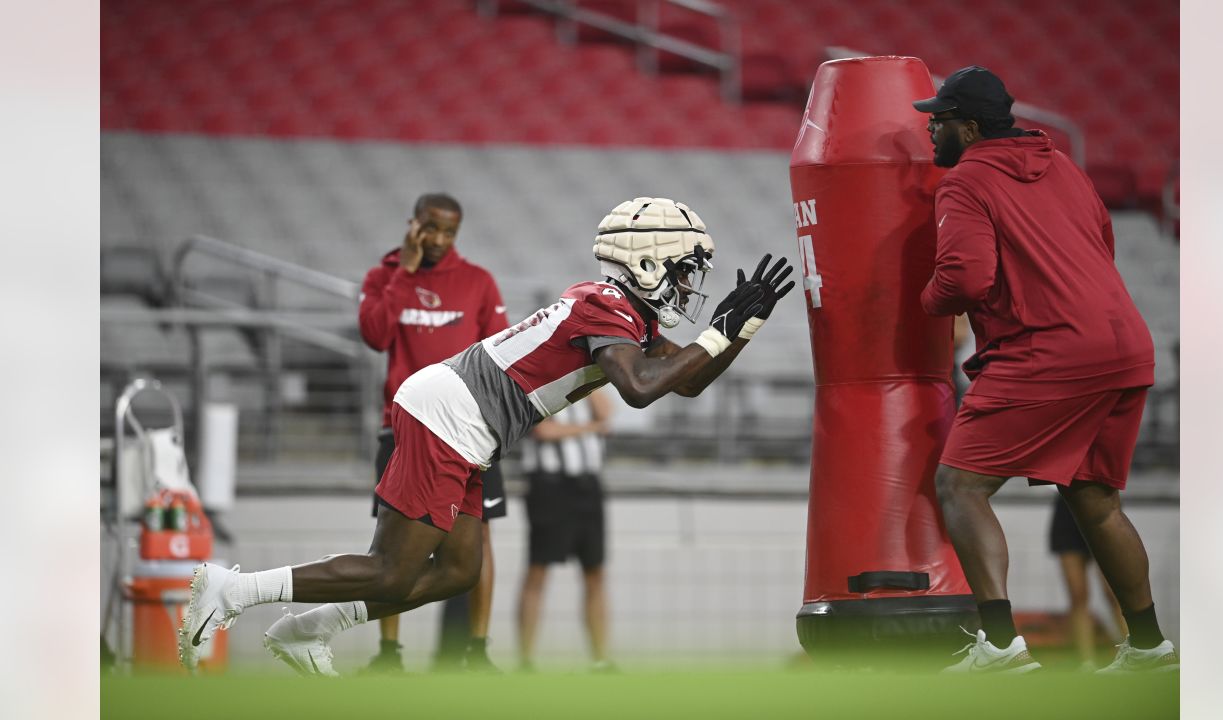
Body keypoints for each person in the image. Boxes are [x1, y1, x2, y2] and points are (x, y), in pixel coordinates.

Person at [176, 196, 794, 676]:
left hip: (469, 426)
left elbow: (683, 381)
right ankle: (232, 590)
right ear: (648, 262)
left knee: (458, 572)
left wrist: (740, 332)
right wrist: (716, 333)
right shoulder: (608, 304)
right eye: (686, 270)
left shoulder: (621, 307)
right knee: (392, 571)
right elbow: (639, 386)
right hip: (449, 413)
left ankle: (306, 630)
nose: (691, 284)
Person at [911, 66, 1178, 674]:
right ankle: (1148, 648)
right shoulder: (1064, 165)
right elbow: (1100, 247)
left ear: (970, 126)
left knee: (959, 485)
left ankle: (1001, 646)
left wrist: (919, 301)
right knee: (1095, 500)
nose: (931, 130)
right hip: (1124, 343)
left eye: (940, 120)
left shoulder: (965, 182)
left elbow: (964, 279)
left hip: (1048, 349)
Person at [356, 192, 510, 673]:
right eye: (432, 229)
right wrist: (405, 270)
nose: (440, 240)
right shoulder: (383, 277)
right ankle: (388, 657)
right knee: (391, 545)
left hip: (471, 433)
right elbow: (376, 335)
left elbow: (499, 356)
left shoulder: (478, 282)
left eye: (449, 231)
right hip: (402, 429)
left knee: (479, 541)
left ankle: (477, 653)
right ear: (414, 225)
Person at [516, 390, 614, 672]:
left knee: (595, 571)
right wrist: (590, 428)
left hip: (588, 486)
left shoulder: (588, 383)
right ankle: (526, 660)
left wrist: (593, 383)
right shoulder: (540, 387)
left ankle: (600, 660)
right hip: (550, 486)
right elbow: (544, 431)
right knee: (538, 570)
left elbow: (606, 412)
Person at [1049, 494, 1127, 671]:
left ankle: (1136, 653)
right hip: (1067, 510)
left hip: (1104, 503)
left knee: (1115, 594)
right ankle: (1086, 662)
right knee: (1078, 595)